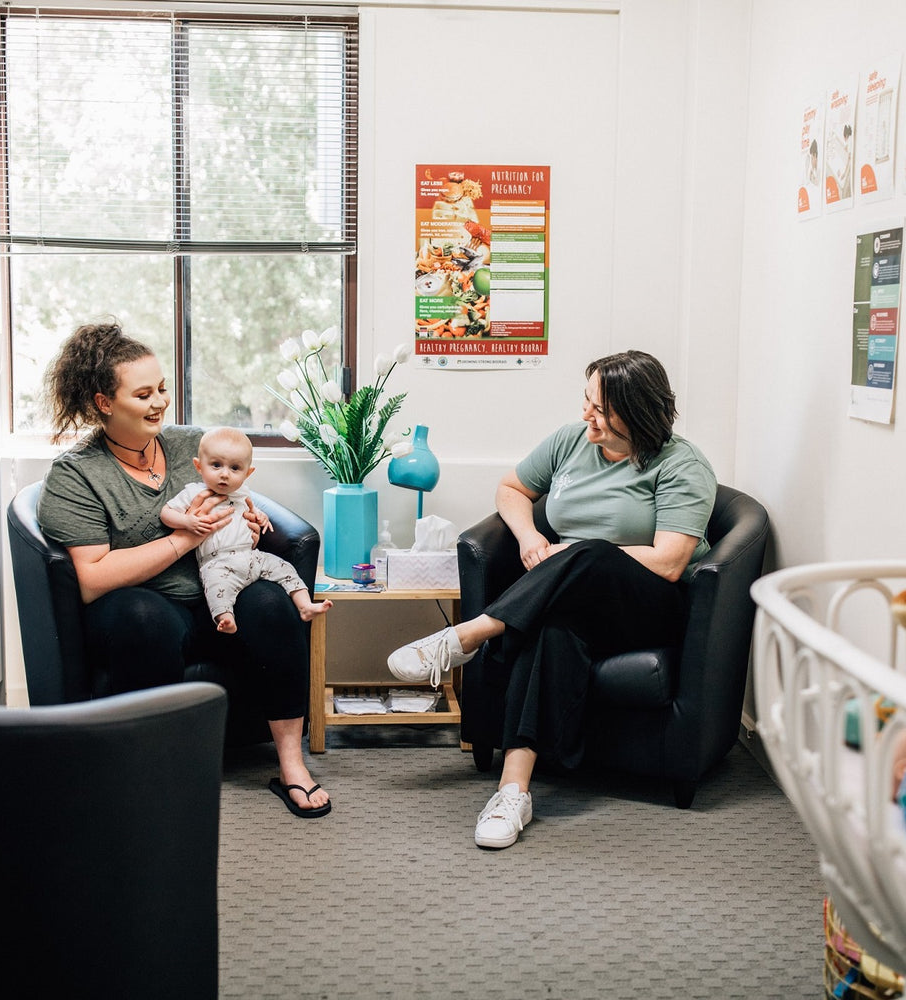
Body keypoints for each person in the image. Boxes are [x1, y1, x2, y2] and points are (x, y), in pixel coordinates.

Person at [386, 350, 716, 849]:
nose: (588, 415)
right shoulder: (570, 441)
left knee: (594, 555)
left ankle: (468, 635)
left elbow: (670, 561)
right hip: (568, 594)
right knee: (551, 628)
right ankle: (513, 792)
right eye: (587, 400)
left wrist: (576, 552)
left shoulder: (680, 465)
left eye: (602, 409)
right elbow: (513, 487)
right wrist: (527, 537)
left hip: (648, 604)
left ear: (639, 412)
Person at [37, 321, 331, 818]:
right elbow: (92, 578)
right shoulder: (77, 475)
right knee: (142, 619)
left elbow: (238, 494)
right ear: (104, 402)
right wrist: (182, 537)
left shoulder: (191, 446)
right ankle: (156, 772)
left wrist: (254, 524)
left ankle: (291, 765)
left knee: (272, 604)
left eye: (163, 389)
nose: (160, 403)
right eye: (144, 394)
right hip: (143, 603)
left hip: (221, 593)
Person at [162, 426, 333, 634]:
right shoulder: (194, 492)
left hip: (251, 555)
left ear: (248, 472)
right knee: (217, 588)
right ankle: (226, 619)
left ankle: (305, 606)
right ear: (199, 466)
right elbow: (166, 513)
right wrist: (187, 522)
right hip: (218, 562)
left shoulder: (241, 493)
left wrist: (261, 516)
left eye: (235, 468)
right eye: (216, 465)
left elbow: (249, 511)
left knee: (285, 568)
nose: (224, 474)